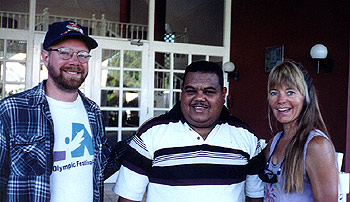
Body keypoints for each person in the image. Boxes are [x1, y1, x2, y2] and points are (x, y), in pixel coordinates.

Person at [0, 21, 128, 202]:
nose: (75, 61)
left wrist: (140, 138)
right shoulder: (11, 111)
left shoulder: (93, 112)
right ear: (45, 57)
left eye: (83, 55)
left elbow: (99, 168)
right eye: (64, 52)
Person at [113, 60, 264, 202]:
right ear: (182, 92)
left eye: (209, 92)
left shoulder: (246, 135)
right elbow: (128, 197)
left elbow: (255, 196)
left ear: (223, 94)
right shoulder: (151, 133)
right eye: (191, 91)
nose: (199, 98)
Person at [260, 60, 338, 201]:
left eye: (290, 92)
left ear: (305, 98)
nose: (281, 100)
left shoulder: (316, 145)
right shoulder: (274, 143)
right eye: (274, 92)